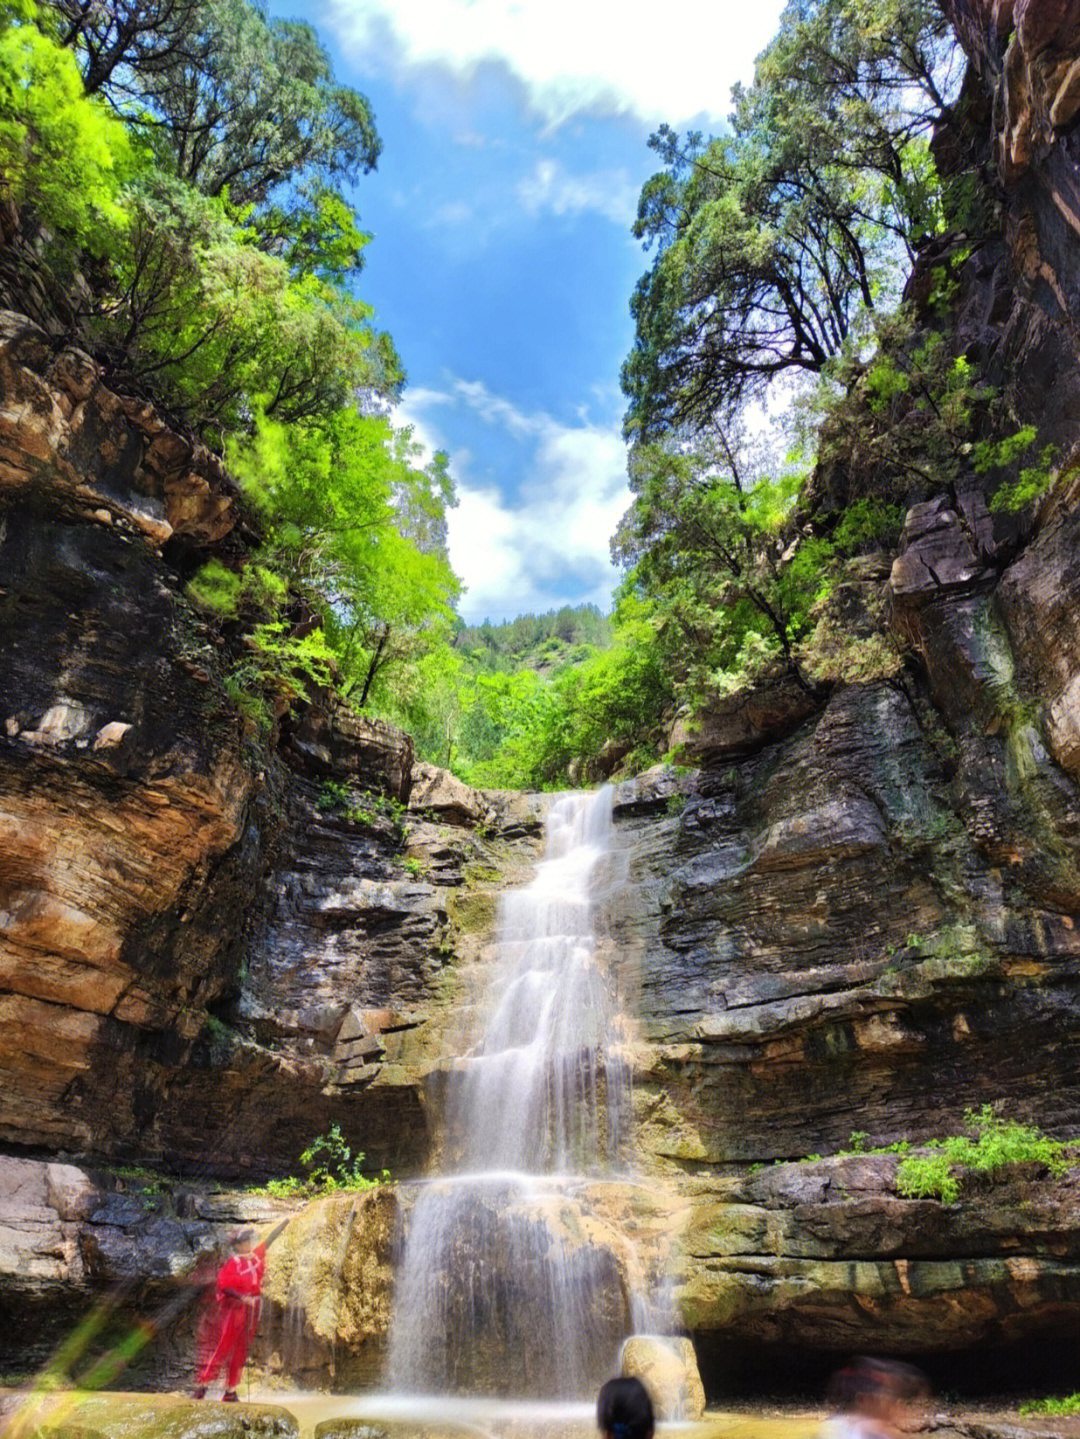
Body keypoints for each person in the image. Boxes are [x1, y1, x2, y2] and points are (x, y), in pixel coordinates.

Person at [193, 1227, 272, 1401]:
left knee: (241, 1348)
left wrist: (286, 1223)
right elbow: (225, 1286)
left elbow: (268, 1242)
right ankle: (202, 1385)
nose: (249, 1244)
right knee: (224, 1345)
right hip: (234, 1308)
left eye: (250, 1241)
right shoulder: (233, 1262)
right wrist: (242, 1297)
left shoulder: (253, 1258)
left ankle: (230, 1390)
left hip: (250, 1308)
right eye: (246, 1242)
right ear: (238, 1245)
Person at [821, 1356, 929, 1438]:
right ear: (866, 1399)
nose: (902, 1409)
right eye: (893, 1399)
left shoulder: (836, 1427)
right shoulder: (841, 1433)